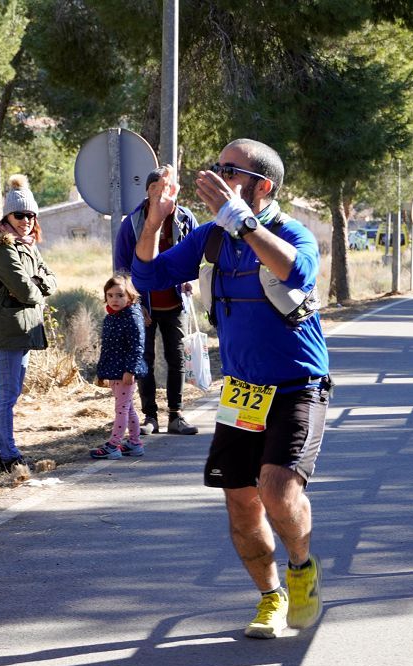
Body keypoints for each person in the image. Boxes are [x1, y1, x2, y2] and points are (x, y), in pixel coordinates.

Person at [131, 139, 330, 639]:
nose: (214, 176)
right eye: (216, 166)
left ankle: (301, 566)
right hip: (243, 391)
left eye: (228, 170)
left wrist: (242, 219)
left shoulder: (291, 232)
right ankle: (270, 599)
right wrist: (155, 219)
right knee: (241, 502)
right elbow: (147, 275)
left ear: (261, 185)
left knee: (277, 489)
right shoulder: (211, 240)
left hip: (297, 385)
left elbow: (298, 272)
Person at [0, 175, 57, 472]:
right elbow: (26, 290)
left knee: (9, 392)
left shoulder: (29, 246)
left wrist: (37, 283)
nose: (25, 220)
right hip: (6, 326)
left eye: (30, 215)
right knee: (8, 392)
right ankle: (9, 453)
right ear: (6, 217)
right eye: (19, 215)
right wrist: (36, 286)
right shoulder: (3, 247)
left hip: (21, 326)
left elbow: (50, 279)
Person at [113, 167, 199, 436]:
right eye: (157, 187)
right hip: (144, 305)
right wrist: (135, 304)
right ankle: (150, 416)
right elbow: (121, 267)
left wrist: (190, 280)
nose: (163, 191)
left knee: (178, 359)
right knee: (144, 360)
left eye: (169, 187)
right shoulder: (133, 222)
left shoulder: (185, 218)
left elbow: (199, 255)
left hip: (175, 303)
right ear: (149, 191)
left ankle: (176, 415)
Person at [89, 274, 148, 459]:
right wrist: (101, 372)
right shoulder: (111, 318)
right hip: (114, 371)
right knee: (127, 407)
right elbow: (107, 348)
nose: (115, 299)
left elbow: (137, 346)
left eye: (120, 295)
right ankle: (134, 443)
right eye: (110, 295)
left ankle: (114, 445)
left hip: (125, 372)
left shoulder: (132, 317)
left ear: (130, 297)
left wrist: (130, 371)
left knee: (121, 408)